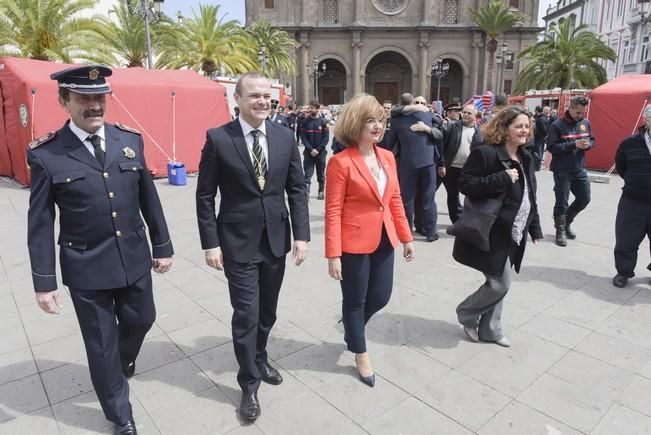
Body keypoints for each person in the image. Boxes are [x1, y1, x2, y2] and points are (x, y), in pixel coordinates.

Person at [27, 65, 174, 435]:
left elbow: (148, 197)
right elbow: (41, 222)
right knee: (101, 344)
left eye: (99, 97)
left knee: (142, 318)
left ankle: (121, 362)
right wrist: (44, 282)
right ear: (64, 101)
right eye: (84, 99)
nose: (94, 106)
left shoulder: (130, 140)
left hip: (134, 257)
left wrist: (163, 244)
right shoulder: (47, 154)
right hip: (86, 266)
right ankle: (119, 414)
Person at [195, 71, 309, 422]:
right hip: (237, 243)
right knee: (246, 314)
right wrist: (211, 243)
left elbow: (297, 189)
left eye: (266, 96)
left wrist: (302, 235)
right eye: (254, 96)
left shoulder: (284, 136)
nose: (262, 101)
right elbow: (204, 195)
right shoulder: (218, 139)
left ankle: (259, 356)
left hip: (275, 240)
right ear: (238, 100)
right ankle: (249, 385)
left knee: (267, 312)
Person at [325, 93, 415, 387]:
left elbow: (395, 200)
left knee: (381, 296)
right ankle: (360, 351)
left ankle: (352, 329)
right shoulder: (340, 163)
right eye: (369, 121)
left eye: (380, 120)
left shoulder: (387, 156)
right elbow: (333, 210)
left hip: (384, 238)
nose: (377, 126)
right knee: (354, 300)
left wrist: (406, 237)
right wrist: (333, 254)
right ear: (355, 124)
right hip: (352, 242)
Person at [453, 106, 543, 347]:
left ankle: (490, 330)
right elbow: (466, 184)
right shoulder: (486, 154)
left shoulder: (527, 157)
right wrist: (502, 178)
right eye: (519, 126)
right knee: (500, 283)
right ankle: (466, 313)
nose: (524, 130)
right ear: (504, 129)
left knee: (499, 282)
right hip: (491, 230)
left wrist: (534, 227)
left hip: (515, 231)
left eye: (527, 126)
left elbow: (530, 194)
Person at [389, 93, 442, 241]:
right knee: (424, 199)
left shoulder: (397, 120)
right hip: (425, 163)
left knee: (409, 199)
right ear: (412, 102)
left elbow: (389, 144)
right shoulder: (426, 114)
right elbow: (440, 127)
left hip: (410, 163)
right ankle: (430, 232)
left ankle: (407, 232)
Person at [612, 105, 651, 288]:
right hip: (633, 200)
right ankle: (623, 271)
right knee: (626, 239)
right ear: (647, 120)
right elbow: (622, 167)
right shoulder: (629, 143)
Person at [546, 95, 594, 247]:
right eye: (578, 112)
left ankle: (566, 222)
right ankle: (560, 230)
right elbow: (552, 147)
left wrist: (588, 145)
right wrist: (574, 145)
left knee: (584, 198)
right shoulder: (557, 125)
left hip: (579, 168)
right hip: (562, 170)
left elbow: (593, 140)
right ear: (571, 108)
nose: (581, 116)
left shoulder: (585, 122)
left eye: (583, 113)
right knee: (562, 202)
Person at [439, 104, 483, 224]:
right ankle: (456, 221)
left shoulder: (479, 131)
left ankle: (469, 219)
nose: (465, 115)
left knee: (471, 195)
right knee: (453, 195)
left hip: (469, 169)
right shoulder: (453, 127)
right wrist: (442, 164)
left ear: (475, 116)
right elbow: (443, 146)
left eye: (469, 113)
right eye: (464, 112)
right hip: (452, 168)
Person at [301, 100, 330, 200]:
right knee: (307, 174)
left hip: (320, 153)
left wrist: (318, 149)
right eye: (309, 107)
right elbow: (303, 137)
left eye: (312, 108)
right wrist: (310, 149)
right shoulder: (305, 122)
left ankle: (321, 190)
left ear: (317, 109)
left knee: (320, 173)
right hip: (309, 153)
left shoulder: (323, 122)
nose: (310, 109)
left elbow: (326, 138)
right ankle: (306, 192)